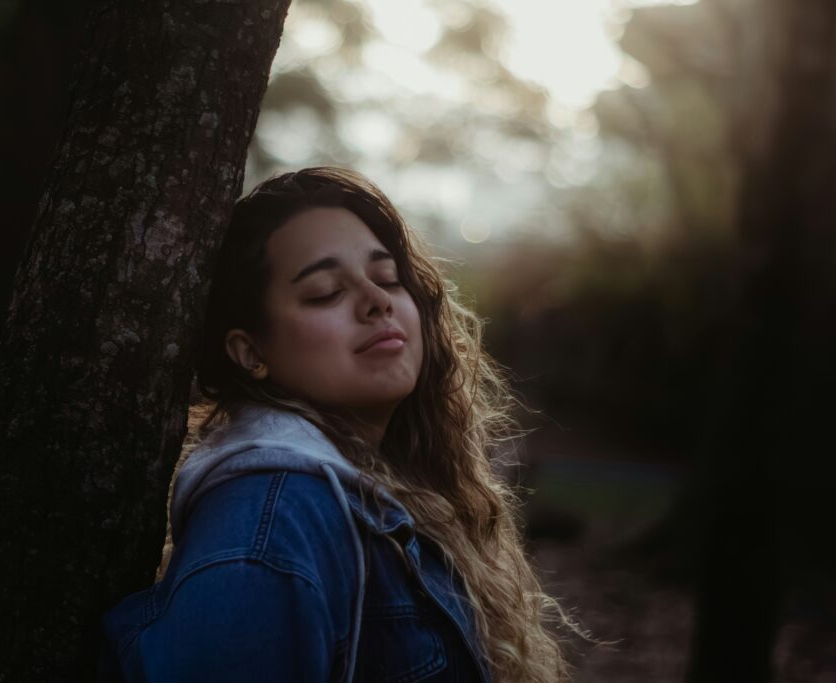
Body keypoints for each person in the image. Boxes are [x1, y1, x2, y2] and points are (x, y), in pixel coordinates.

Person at [100, 167, 574, 682]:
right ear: (251, 351)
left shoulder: (381, 487)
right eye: (325, 291)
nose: (378, 300)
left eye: (388, 277)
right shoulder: (273, 520)